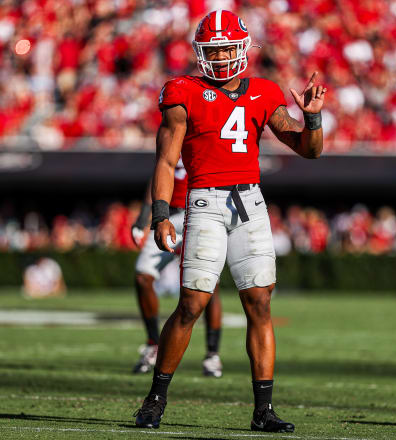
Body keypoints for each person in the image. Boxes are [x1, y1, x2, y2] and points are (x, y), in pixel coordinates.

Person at [134, 10, 325, 432]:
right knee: (192, 303)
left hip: (250, 203)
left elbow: (308, 150)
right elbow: (166, 160)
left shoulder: (263, 92)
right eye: (212, 48)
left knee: (259, 303)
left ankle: (263, 410)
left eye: (226, 47)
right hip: (204, 201)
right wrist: (161, 212)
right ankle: (155, 398)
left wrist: (312, 117)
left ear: (242, 48)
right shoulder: (183, 91)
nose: (220, 56)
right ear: (201, 52)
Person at [131, 165, 224, 378]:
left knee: (210, 284)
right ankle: (153, 344)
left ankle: (212, 354)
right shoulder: (171, 133)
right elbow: (158, 175)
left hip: (202, 214)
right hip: (168, 216)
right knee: (143, 275)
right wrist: (143, 216)